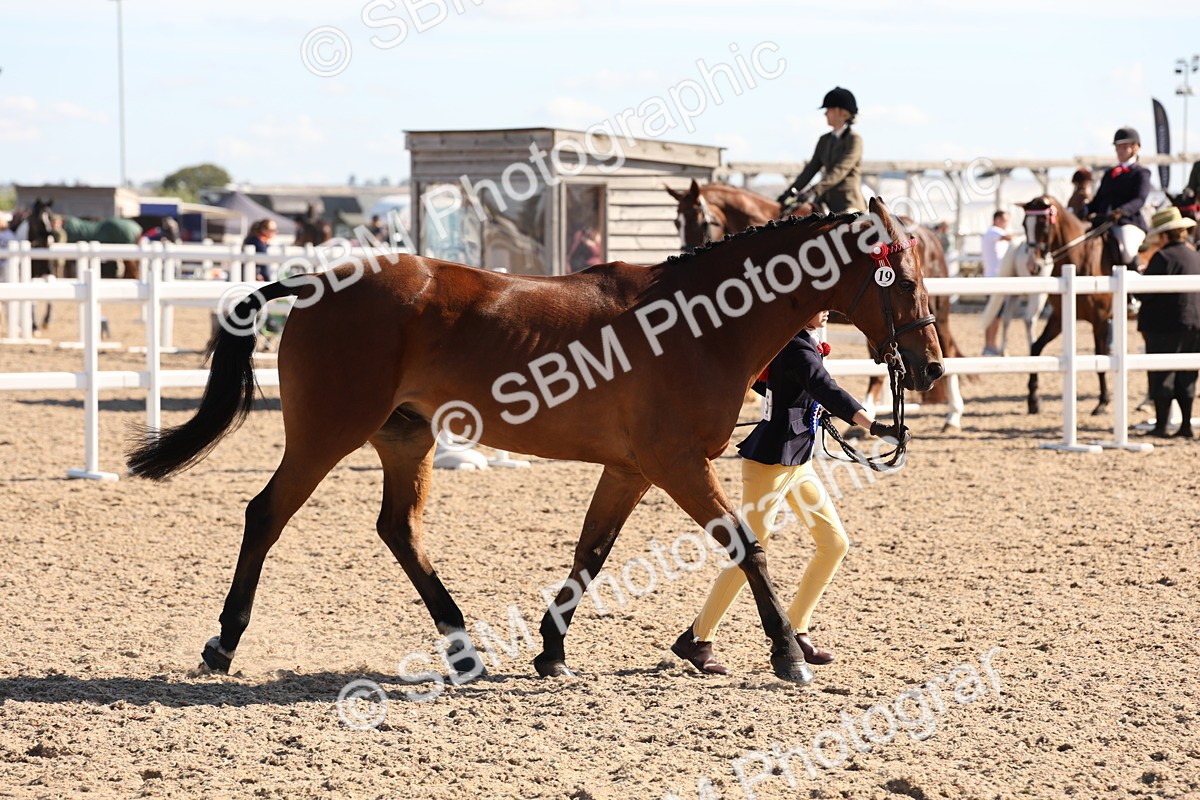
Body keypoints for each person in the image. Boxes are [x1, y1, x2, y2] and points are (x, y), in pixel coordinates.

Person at [670, 309, 907, 674]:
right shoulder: (796, 346)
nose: (826, 310)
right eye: (819, 305)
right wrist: (873, 425)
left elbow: (785, 386)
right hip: (771, 463)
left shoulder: (797, 342)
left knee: (834, 543)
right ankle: (698, 639)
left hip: (798, 461)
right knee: (748, 553)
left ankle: (797, 629)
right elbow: (826, 388)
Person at [1137, 207, 1200, 438]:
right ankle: (1185, 425)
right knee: (1187, 374)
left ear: (1163, 236)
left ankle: (1162, 425)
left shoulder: (1162, 257)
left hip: (1164, 325)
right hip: (1195, 324)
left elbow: (1145, 293)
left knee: (1162, 374)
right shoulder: (1196, 255)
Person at [777, 87, 865, 215]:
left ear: (841, 112)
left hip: (847, 203)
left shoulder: (854, 140)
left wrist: (814, 190)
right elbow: (810, 170)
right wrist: (789, 192)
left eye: (828, 110)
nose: (825, 113)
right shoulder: (824, 140)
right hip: (823, 202)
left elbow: (840, 171)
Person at [1085, 127, 1151, 269]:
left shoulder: (1141, 173)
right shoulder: (1110, 173)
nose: (1120, 151)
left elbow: (1139, 199)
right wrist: (1084, 209)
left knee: (1127, 250)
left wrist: (1122, 211)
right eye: (1118, 147)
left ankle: (1135, 285)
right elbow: (1098, 200)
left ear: (1135, 148)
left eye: (1124, 147)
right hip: (1103, 223)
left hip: (1127, 223)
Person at [981, 210, 1014, 356]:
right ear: (998, 220)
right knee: (994, 315)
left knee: (995, 315)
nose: (1007, 224)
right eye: (1005, 220)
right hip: (994, 279)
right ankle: (990, 345)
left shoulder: (993, 233)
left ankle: (991, 344)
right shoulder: (993, 232)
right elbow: (1008, 237)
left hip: (994, 279)